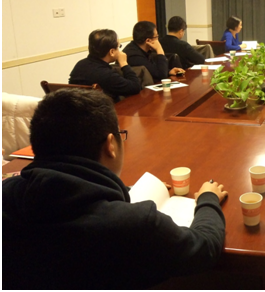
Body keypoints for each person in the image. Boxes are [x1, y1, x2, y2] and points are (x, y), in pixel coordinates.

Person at [2, 89, 228, 289]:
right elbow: (204, 248)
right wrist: (208, 199)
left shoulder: (7, 194)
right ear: (111, 144)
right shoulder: (134, 224)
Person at [69, 29, 142, 102]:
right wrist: (124, 63)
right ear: (112, 52)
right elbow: (135, 87)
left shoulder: (80, 65)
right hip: (106, 108)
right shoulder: (106, 74)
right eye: (118, 47)